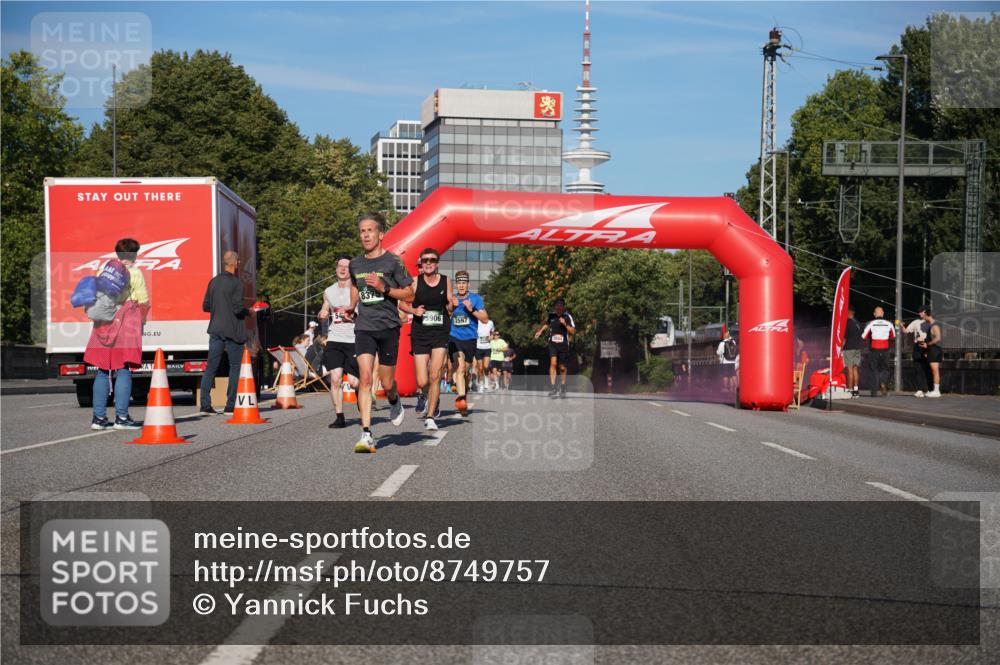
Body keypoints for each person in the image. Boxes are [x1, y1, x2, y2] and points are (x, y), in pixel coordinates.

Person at [350, 212, 415, 453]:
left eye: (370, 230)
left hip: (388, 327)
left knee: (387, 382)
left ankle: (394, 399)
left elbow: (409, 293)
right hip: (364, 327)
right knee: (366, 378)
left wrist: (384, 287)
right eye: (362, 231)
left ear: (380, 234)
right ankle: (366, 433)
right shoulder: (356, 263)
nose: (366, 235)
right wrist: (350, 306)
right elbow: (357, 288)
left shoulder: (392, 262)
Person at [85, 238, 149, 430]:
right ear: (134, 254)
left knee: (103, 371)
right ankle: (121, 418)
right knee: (123, 369)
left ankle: (98, 418)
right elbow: (144, 301)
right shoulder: (135, 273)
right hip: (125, 323)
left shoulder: (103, 271)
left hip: (103, 322)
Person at [398, 248, 453, 431]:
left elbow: (450, 302)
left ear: (437, 263)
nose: (428, 263)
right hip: (420, 333)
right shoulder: (414, 282)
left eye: (432, 260)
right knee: (422, 381)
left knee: (435, 375)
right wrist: (414, 311)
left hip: (440, 332)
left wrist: (452, 305)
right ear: (421, 263)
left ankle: (430, 416)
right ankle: (425, 394)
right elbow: (402, 303)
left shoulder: (446, 281)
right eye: (425, 260)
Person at [200, 250, 250, 415]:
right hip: (233, 331)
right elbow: (237, 308)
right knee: (235, 367)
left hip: (215, 329)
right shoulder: (237, 283)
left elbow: (206, 306)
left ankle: (205, 405)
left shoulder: (213, 282)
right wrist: (249, 311)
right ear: (236, 263)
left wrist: (219, 306)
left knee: (211, 367)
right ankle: (230, 405)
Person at [318, 255, 361, 428]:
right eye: (340, 266)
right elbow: (325, 309)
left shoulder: (357, 290)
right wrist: (322, 314)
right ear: (336, 269)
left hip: (354, 339)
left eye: (346, 266)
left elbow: (365, 314)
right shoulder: (329, 291)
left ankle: (362, 400)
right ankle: (340, 416)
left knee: (354, 382)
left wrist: (354, 317)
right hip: (334, 339)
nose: (343, 269)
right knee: (335, 379)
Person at [448, 270, 488, 416]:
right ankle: (461, 399)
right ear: (456, 285)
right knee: (460, 367)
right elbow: (445, 315)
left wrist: (472, 310)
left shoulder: (476, 298)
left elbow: (485, 318)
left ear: (468, 284)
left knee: (466, 372)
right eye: (459, 283)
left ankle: (463, 395)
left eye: (464, 283)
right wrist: (451, 307)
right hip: (454, 337)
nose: (461, 286)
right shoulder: (452, 298)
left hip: (470, 339)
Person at [534, 298, 576, 398]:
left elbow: (573, 331)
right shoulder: (551, 316)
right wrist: (540, 331)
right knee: (553, 363)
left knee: (562, 367)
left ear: (563, 307)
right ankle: (553, 387)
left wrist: (565, 324)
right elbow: (547, 324)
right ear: (555, 307)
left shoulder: (567, 316)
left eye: (560, 307)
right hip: (552, 343)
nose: (558, 309)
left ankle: (563, 386)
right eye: (557, 307)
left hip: (563, 345)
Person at [861, 306, 895, 397]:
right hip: (885, 349)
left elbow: (864, 336)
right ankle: (883, 383)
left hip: (874, 349)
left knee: (873, 370)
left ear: (874, 314)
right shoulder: (889, 324)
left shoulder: (870, 323)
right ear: (883, 314)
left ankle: (874, 391)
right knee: (885, 369)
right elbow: (893, 336)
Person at [905, 308, 932, 397]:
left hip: (927, 345)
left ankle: (930, 389)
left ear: (926, 312)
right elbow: (906, 331)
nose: (920, 313)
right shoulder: (916, 322)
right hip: (917, 346)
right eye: (919, 311)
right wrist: (901, 326)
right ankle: (919, 390)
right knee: (918, 368)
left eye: (922, 311)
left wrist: (928, 345)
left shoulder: (930, 322)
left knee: (928, 368)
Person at [919, 310, 943, 398]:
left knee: (935, 371)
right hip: (932, 350)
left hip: (935, 350)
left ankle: (937, 391)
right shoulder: (931, 325)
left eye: (924, 316)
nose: (923, 318)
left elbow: (938, 338)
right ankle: (934, 390)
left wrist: (928, 344)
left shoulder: (934, 325)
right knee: (933, 371)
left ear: (927, 315)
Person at [843, 307, 863, 398]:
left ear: (849, 312)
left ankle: (849, 390)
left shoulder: (848, 323)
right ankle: (856, 390)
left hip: (849, 348)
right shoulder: (857, 322)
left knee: (849, 369)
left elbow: (845, 338)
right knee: (855, 369)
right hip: (857, 348)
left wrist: (840, 348)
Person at [475, 317, 495, 393]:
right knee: (480, 368)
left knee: (486, 367)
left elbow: (493, 331)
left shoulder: (490, 322)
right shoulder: (476, 322)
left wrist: (492, 336)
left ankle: (487, 382)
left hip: (487, 348)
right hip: (478, 347)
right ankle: (481, 384)